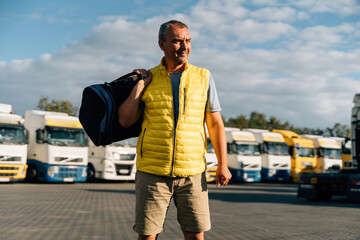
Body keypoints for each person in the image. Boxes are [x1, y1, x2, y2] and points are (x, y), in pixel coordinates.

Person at [118, 20, 232, 240]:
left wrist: (223, 165)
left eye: (188, 40)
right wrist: (139, 87)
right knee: (147, 235)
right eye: (177, 41)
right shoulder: (147, 78)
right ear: (162, 44)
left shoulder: (204, 77)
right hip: (152, 171)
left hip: (192, 172)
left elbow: (216, 124)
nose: (184, 46)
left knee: (195, 234)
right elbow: (125, 120)